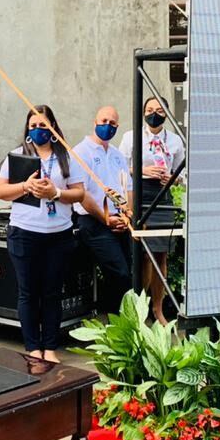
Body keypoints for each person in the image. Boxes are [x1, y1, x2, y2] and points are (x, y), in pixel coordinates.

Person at [0, 105, 84, 363]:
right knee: (28, 292)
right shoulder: (18, 156)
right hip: (25, 233)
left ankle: (50, 347)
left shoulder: (66, 156)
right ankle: (32, 346)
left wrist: (55, 193)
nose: (38, 130)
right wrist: (25, 186)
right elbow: (0, 191)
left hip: (59, 234)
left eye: (44, 126)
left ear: (53, 128)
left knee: (52, 292)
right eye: (33, 126)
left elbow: (79, 193)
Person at [121, 96, 185, 326]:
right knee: (145, 254)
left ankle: (158, 309)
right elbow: (120, 167)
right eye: (149, 109)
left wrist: (174, 179)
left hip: (163, 195)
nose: (153, 113)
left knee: (161, 255)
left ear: (166, 113)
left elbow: (183, 173)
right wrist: (143, 170)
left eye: (158, 110)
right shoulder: (131, 137)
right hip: (140, 194)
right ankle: (141, 306)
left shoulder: (176, 140)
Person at [72, 105, 134, 317]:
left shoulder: (117, 155)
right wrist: (106, 218)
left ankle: (120, 321)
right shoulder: (81, 152)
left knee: (130, 274)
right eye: (104, 121)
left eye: (113, 123)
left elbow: (129, 188)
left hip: (120, 222)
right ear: (95, 122)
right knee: (120, 273)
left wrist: (127, 216)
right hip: (95, 222)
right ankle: (120, 323)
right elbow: (83, 194)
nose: (108, 126)